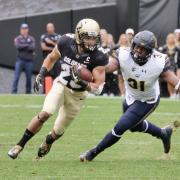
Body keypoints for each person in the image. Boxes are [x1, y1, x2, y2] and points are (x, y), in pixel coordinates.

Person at [8, 18, 108, 159]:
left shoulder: (99, 56)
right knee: (46, 113)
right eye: (88, 38)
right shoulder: (65, 41)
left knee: (58, 130)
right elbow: (51, 57)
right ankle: (19, 145)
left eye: (94, 38)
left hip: (78, 95)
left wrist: (83, 82)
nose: (92, 42)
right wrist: (42, 74)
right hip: (61, 85)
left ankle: (49, 141)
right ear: (79, 35)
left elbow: (98, 88)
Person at [80, 30, 180, 162]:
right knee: (133, 126)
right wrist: (93, 66)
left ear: (150, 52)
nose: (138, 51)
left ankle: (92, 153)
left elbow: (175, 81)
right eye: (137, 46)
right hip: (130, 96)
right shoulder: (123, 54)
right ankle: (163, 133)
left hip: (147, 100)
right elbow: (108, 67)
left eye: (143, 49)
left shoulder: (158, 61)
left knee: (120, 127)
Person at [11, 23, 35, 94]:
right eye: (23, 29)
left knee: (28, 78)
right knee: (16, 77)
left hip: (29, 61)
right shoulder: (17, 38)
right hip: (20, 60)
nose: (24, 30)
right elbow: (18, 46)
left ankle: (28, 93)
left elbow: (32, 48)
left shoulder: (31, 38)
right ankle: (13, 92)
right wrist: (27, 45)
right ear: (20, 30)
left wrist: (23, 46)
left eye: (25, 29)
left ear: (28, 30)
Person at [159, 33, 180, 98]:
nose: (171, 39)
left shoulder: (177, 48)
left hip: (177, 66)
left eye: (172, 38)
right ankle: (172, 94)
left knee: (178, 77)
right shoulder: (163, 48)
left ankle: (178, 93)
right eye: (169, 38)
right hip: (167, 66)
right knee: (170, 76)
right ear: (167, 39)